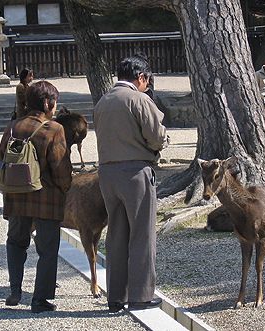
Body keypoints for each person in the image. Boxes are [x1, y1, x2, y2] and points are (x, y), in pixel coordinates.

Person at [94, 55, 169, 313]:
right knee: (142, 235)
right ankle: (140, 296)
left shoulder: (103, 101)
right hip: (136, 172)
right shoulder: (139, 99)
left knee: (116, 235)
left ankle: (116, 296)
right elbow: (156, 137)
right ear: (141, 77)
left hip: (107, 173)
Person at [0, 81, 72, 313]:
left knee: (16, 242)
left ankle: (15, 290)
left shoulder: (13, 128)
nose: (55, 107)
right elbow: (61, 169)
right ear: (47, 103)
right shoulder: (54, 129)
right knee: (47, 249)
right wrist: (65, 188)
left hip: (17, 196)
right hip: (45, 199)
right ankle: (40, 299)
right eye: (54, 102)